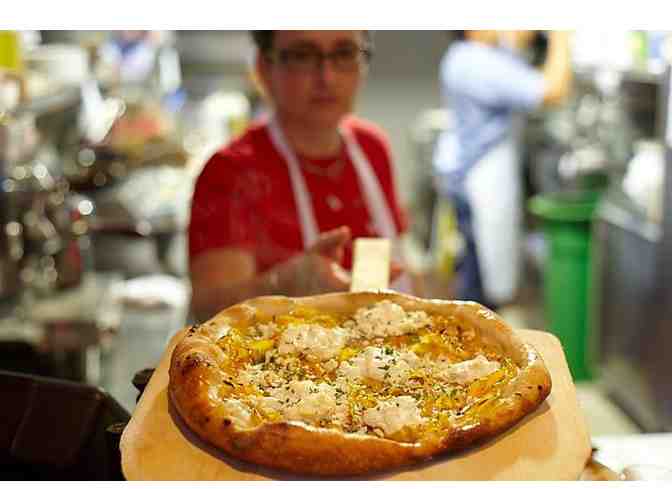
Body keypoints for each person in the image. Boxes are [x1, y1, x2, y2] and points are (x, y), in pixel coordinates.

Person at [188, 31, 411, 322]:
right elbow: (209, 311)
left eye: (344, 53)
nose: (327, 77)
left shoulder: (372, 147)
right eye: (302, 56)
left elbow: (402, 265)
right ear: (263, 68)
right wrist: (283, 283)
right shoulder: (230, 172)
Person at [433, 30, 572, 308]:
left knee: (475, 265)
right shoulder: (476, 61)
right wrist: (561, 34)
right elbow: (552, 91)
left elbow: (519, 45)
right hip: (481, 177)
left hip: (474, 174)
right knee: (480, 281)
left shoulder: (470, 56)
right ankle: (476, 329)